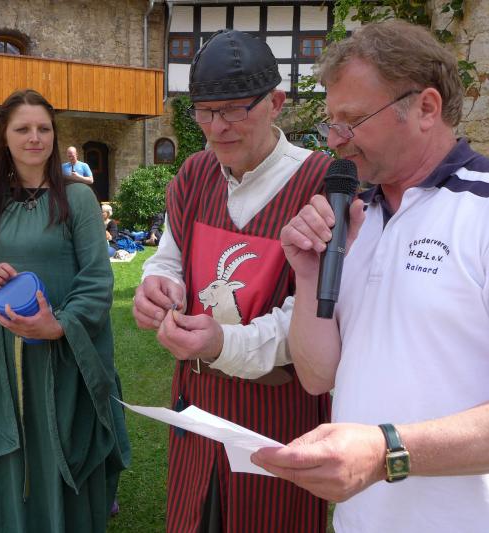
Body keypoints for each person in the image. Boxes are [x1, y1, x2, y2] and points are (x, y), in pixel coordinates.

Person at [250, 20, 489, 533]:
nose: (335, 140)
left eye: (353, 120)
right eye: (332, 122)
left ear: (426, 107)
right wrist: (309, 276)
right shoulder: (358, 217)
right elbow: (318, 376)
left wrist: (388, 452)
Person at [132, 29, 333, 532]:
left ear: (275, 103)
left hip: (277, 410)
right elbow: (169, 258)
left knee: (268, 520)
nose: (217, 127)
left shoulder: (322, 184)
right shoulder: (194, 174)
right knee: (195, 516)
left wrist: (223, 343)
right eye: (204, 112)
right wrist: (157, 286)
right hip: (197, 403)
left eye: (234, 110)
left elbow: (318, 316)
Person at [0, 88, 129, 532]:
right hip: (7, 359)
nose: (35, 138)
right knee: (16, 449)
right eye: (23, 129)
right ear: (5, 137)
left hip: (67, 353)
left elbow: (97, 279)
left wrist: (59, 326)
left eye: (43, 128)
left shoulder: (78, 199)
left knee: (64, 442)